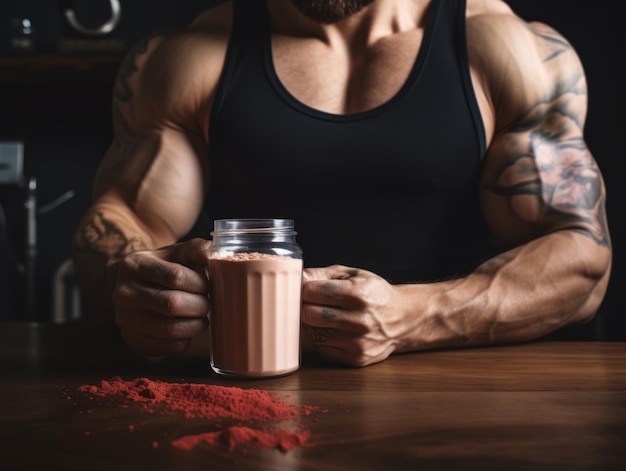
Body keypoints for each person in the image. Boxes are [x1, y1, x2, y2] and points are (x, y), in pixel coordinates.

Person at [71, 0, 612, 367]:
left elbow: (580, 259)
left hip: (461, 390)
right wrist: (132, 282)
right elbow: (121, 220)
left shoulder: (507, 50)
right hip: (255, 387)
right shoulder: (187, 56)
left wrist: (414, 316)